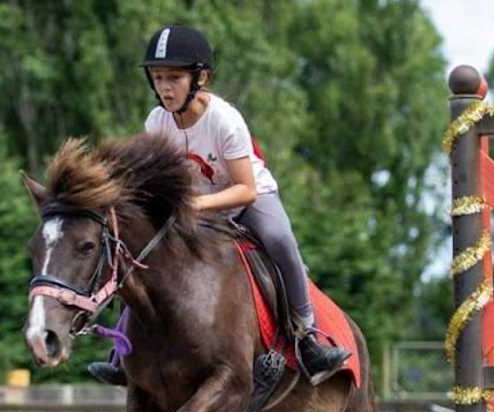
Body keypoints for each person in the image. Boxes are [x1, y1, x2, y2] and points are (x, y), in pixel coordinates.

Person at [88, 24, 349, 387]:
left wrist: (197, 204)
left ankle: (307, 337)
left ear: (201, 77)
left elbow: (246, 190)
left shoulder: (224, 120)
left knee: (280, 239)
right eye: (158, 77)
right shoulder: (156, 121)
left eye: (174, 77)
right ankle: (122, 350)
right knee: (137, 249)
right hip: (194, 208)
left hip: (244, 199)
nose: (165, 87)